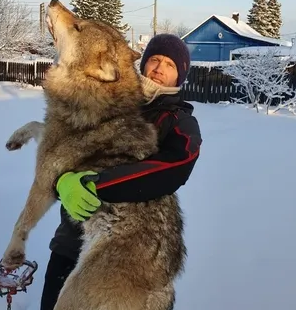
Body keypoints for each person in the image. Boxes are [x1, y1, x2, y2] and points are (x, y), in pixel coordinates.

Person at [40, 33, 202, 310]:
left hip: (128, 251)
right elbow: (66, 147)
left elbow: (174, 168)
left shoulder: (179, 122)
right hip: (72, 237)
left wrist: (96, 184)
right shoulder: (107, 99)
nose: (159, 68)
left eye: (170, 64)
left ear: (180, 76)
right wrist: (61, 181)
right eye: (154, 59)